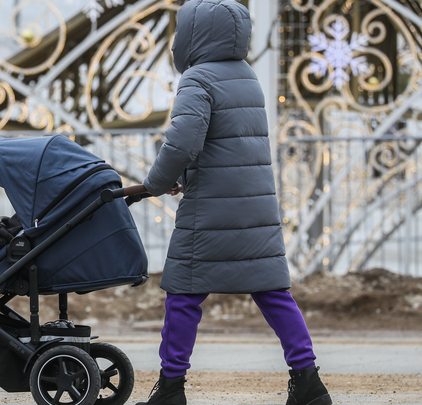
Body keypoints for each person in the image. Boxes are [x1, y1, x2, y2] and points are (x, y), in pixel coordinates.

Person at [137, 1, 332, 405]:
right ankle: (309, 383)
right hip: (254, 208)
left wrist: (157, 183)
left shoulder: (197, 78)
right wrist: (185, 176)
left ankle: (170, 389)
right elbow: (226, 145)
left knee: (183, 294)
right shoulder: (247, 77)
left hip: (211, 209)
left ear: (193, 36)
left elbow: (184, 141)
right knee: (274, 291)